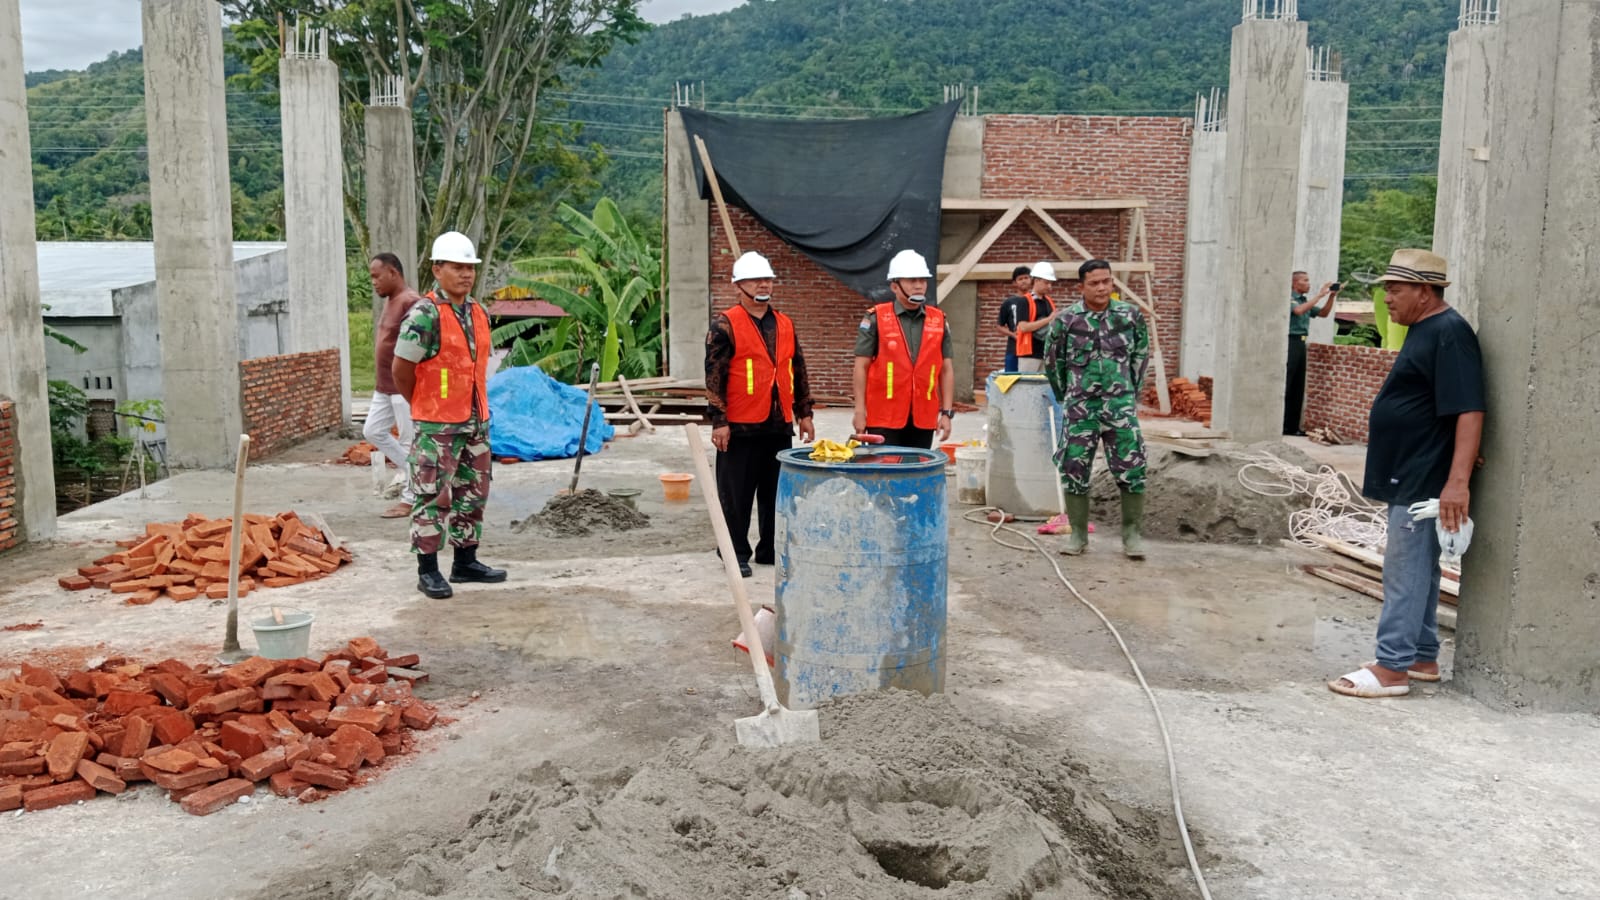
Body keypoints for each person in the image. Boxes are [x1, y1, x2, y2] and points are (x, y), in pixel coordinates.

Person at [1329, 249, 1483, 699]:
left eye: (1395, 290)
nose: (1387, 298)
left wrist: (1457, 483)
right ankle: (1420, 654)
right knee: (1421, 568)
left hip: (1423, 474)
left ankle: (1392, 666)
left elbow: (1469, 410)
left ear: (1424, 290)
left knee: (1404, 568)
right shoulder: (1425, 330)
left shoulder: (1449, 333)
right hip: (1410, 470)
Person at [391, 231, 507, 600]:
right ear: (437, 270)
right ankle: (428, 570)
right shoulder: (424, 315)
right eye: (457, 267)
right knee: (430, 496)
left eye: (470, 268)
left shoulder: (478, 312)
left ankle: (465, 561)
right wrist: (423, 406)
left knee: (473, 493)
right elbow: (401, 368)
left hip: (475, 421)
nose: (466, 274)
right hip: (437, 426)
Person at [704, 251, 817, 578]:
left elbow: (798, 369)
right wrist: (719, 420)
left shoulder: (785, 323)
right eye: (755, 279)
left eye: (767, 279)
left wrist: (804, 412)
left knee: (775, 493)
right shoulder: (725, 325)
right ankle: (734, 552)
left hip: (777, 423)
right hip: (738, 426)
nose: (763, 284)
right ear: (739, 285)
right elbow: (714, 375)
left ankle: (770, 549)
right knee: (735, 495)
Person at [1043, 259, 1150, 558]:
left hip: (1120, 406)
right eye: (1094, 283)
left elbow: (1141, 357)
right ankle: (1078, 535)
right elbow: (1054, 364)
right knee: (1074, 467)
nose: (1102, 288)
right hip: (1081, 409)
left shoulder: (1130, 316)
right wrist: (1069, 397)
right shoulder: (1066, 321)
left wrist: (1129, 393)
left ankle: (1131, 536)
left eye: (1106, 281)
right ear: (1081, 287)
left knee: (1133, 467)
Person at [852, 249, 955, 449]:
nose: (919, 285)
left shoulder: (939, 320)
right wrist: (859, 412)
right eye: (911, 280)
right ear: (894, 286)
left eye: (923, 280)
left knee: (915, 472)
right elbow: (860, 367)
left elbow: (946, 369)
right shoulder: (876, 318)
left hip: (923, 416)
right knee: (884, 473)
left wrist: (946, 413)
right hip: (883, 416)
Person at [365, 253, 426, 519]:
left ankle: (411, 497)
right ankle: (422, 475)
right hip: (384, 387)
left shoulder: (411, 302)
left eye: (377, 276)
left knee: (409, 441)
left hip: (403, 387)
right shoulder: (391, 302)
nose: (374, 282)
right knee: (373, 431)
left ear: (393, 273)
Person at [1286, 270, 1338, 435]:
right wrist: (1320, 295)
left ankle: (1293, 427)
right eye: (1305, 280)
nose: (1309, 283)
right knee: (1287, 383)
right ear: (1295, 283)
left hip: (1301, 343)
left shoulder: (1305, 301)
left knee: (1298, 386)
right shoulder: (1290, 299)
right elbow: (1298, 311)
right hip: (1291, 342)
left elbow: (1323, 313)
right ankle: (1281, 425)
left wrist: (1331, 296)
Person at [996, 262, 1058, 374]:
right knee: (1026, 388)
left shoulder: (1048, 301)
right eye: (1046, 282)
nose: (1049, 286)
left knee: (1043, 389)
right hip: (1028, 354)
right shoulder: (1024, 301)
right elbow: (1023, 327)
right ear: (1037, 280)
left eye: (1050, 283)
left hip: (1045, 353)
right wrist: (1048, 319)